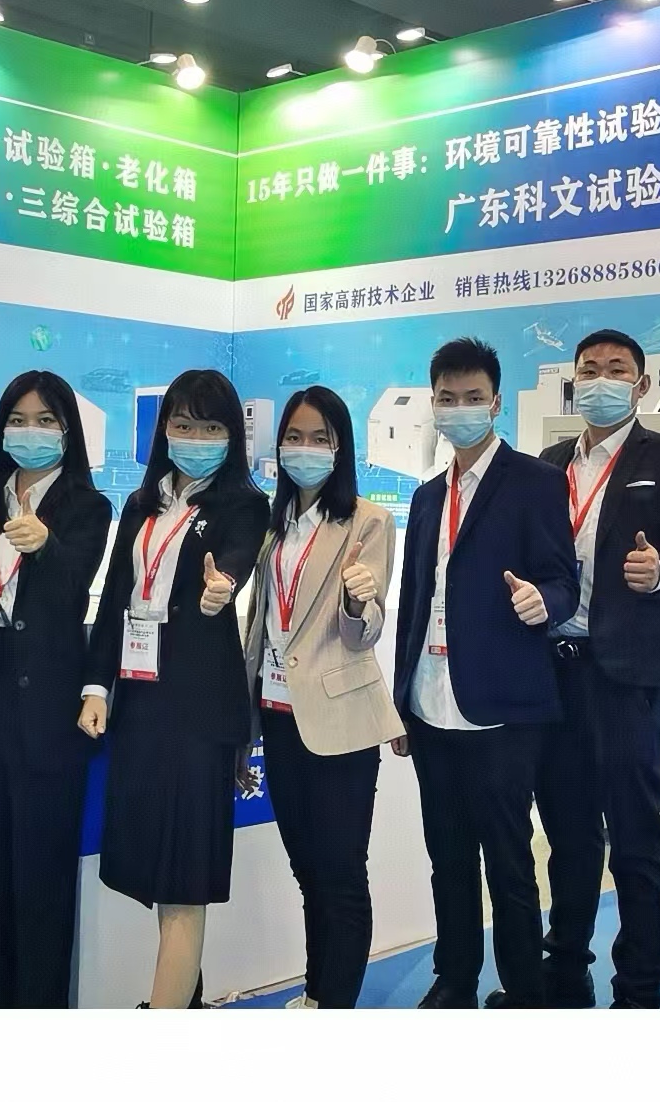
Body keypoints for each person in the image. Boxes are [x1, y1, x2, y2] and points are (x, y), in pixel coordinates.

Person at [391, 337, 579, 1009]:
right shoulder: (424, 498)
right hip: (430, 703)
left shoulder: (535, 482)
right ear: (433, 404)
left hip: (501, 708)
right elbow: (416, 601)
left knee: (507, 857)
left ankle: (523, 988)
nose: (460, 409)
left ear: (496, 403)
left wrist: (542, 601)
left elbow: (564, 580)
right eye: (448, 398)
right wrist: (401, 701)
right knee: (447, 855)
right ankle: (455, 978)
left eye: (474, 397)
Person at [530, 329, 660, 1010]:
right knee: (568, 834)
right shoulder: (549, 464)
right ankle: (564, 970)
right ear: (573, 383)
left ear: (640, 386)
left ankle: (637, 992)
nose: (600, 380)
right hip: (556, 671)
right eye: (589, 370)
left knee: (636, 839)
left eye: (616, 370)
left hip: (629, 676)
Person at [81, 368, 269, 1009]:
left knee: (186, 882)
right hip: (140, 705)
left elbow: (234, 562)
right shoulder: (141, 504)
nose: (195, 437)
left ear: (231, 436)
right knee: (158, 874)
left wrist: (224, 587)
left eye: (211, 427)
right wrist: (96, 687)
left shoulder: (244, 505)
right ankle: (183, 1003)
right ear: (164, 429)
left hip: (199, 712)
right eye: (184, 424)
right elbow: (115, 597)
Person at [0, 371, 111, 1008]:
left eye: (45, 421)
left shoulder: (87, 507)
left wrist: (47, 546)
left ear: (67, 432)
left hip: (48, 711)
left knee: (42, 878)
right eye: (18, 420)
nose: (30, 431)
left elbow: (76, 592)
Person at [239, 386, 402, 1010]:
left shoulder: (368, 521)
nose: (304, 449)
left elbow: (365, 632)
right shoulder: (272, 524)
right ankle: (316, 994)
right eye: (294, 437)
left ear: (340, 449)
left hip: (340, 719)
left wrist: (360, 602)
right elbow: (262, 623)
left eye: (319, 439)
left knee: (340, 873)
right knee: (307, 868)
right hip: (279, 716)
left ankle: (336, 1006)